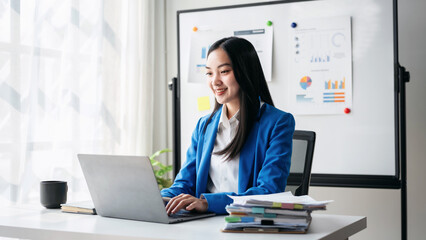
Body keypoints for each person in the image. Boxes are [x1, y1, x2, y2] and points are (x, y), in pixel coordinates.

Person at [161, 37, 295, 215]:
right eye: (209, 73)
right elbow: (184, 184)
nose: (214, 81)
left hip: (244, 223)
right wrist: (158, 198)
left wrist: (208, 203)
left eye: (224, 71)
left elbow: (269, 191)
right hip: (204, 224)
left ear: (245, 72)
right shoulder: (204, 126)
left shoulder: (277, 123)